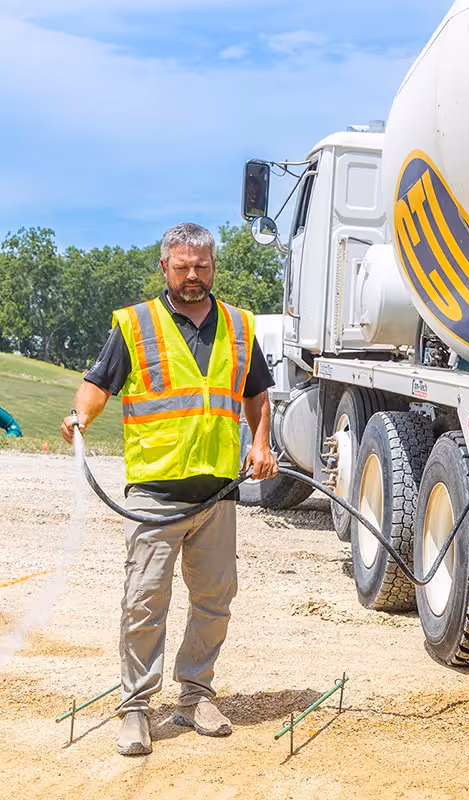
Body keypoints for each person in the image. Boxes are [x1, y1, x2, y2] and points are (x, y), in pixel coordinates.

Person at [60, 223, 278, 756]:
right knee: (144, 602)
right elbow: (98, 382)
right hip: (155, 493)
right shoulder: (136, 325)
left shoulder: (240, 326)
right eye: (182, 267)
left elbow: (258, 395)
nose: (192, 276)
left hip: (219, 492)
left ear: (213, 267)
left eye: (202, 266)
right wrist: (79, 418)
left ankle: (195, 696)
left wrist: (262, 444)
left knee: (214, 601)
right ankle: (135, 707)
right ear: (165, 268)